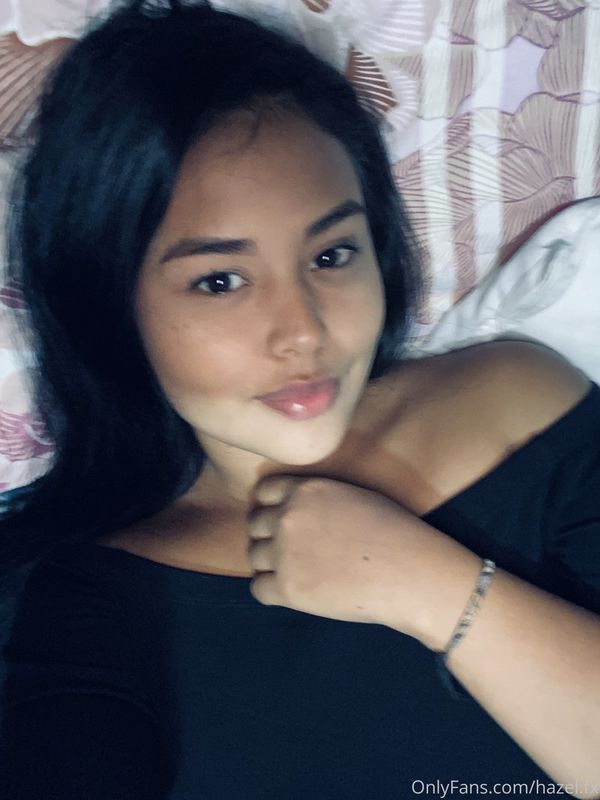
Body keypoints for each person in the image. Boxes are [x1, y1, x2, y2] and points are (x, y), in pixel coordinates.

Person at [0, 1, 599, 798]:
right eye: (221, 280)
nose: (305, 332)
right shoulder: (79, 602)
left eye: (331, 254)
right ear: (110, 303)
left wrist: (434, 587)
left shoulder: (517, 404)